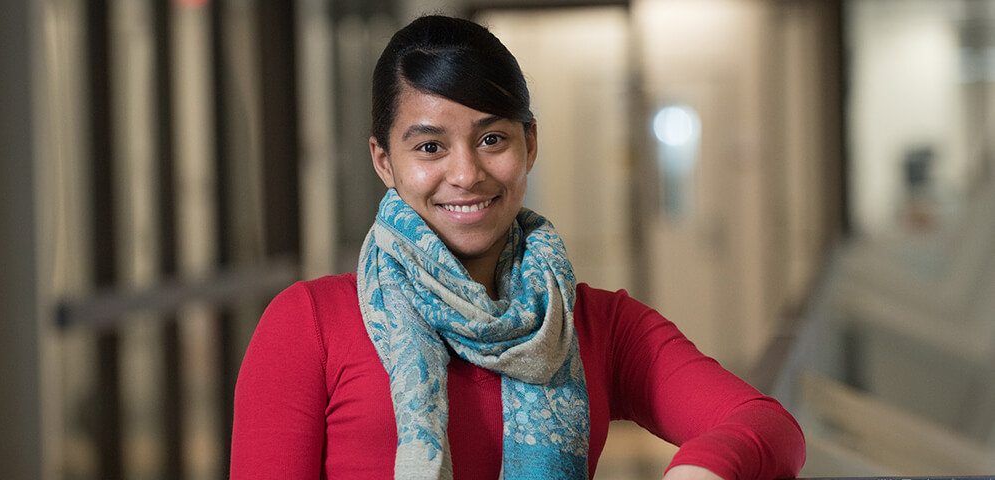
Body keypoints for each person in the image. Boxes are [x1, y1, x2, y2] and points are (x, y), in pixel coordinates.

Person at [230, 14, 805, 480]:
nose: (467, 173)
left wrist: (705, 469)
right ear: (385, 161)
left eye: (491, 138)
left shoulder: (598, 325)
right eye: (429, 147)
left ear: (530, 144)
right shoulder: (310, 325)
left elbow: (765, 424)